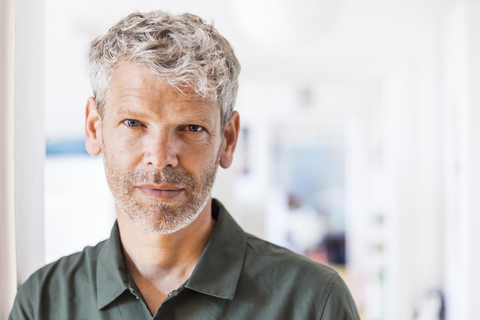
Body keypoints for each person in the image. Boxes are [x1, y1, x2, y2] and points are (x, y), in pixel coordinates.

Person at [9, 10, 360, 319]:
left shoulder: (314, 303)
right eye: (134, 123)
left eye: (191, 128)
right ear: (94, 128)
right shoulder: (43, 304)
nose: (160, 156)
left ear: (228, 139)